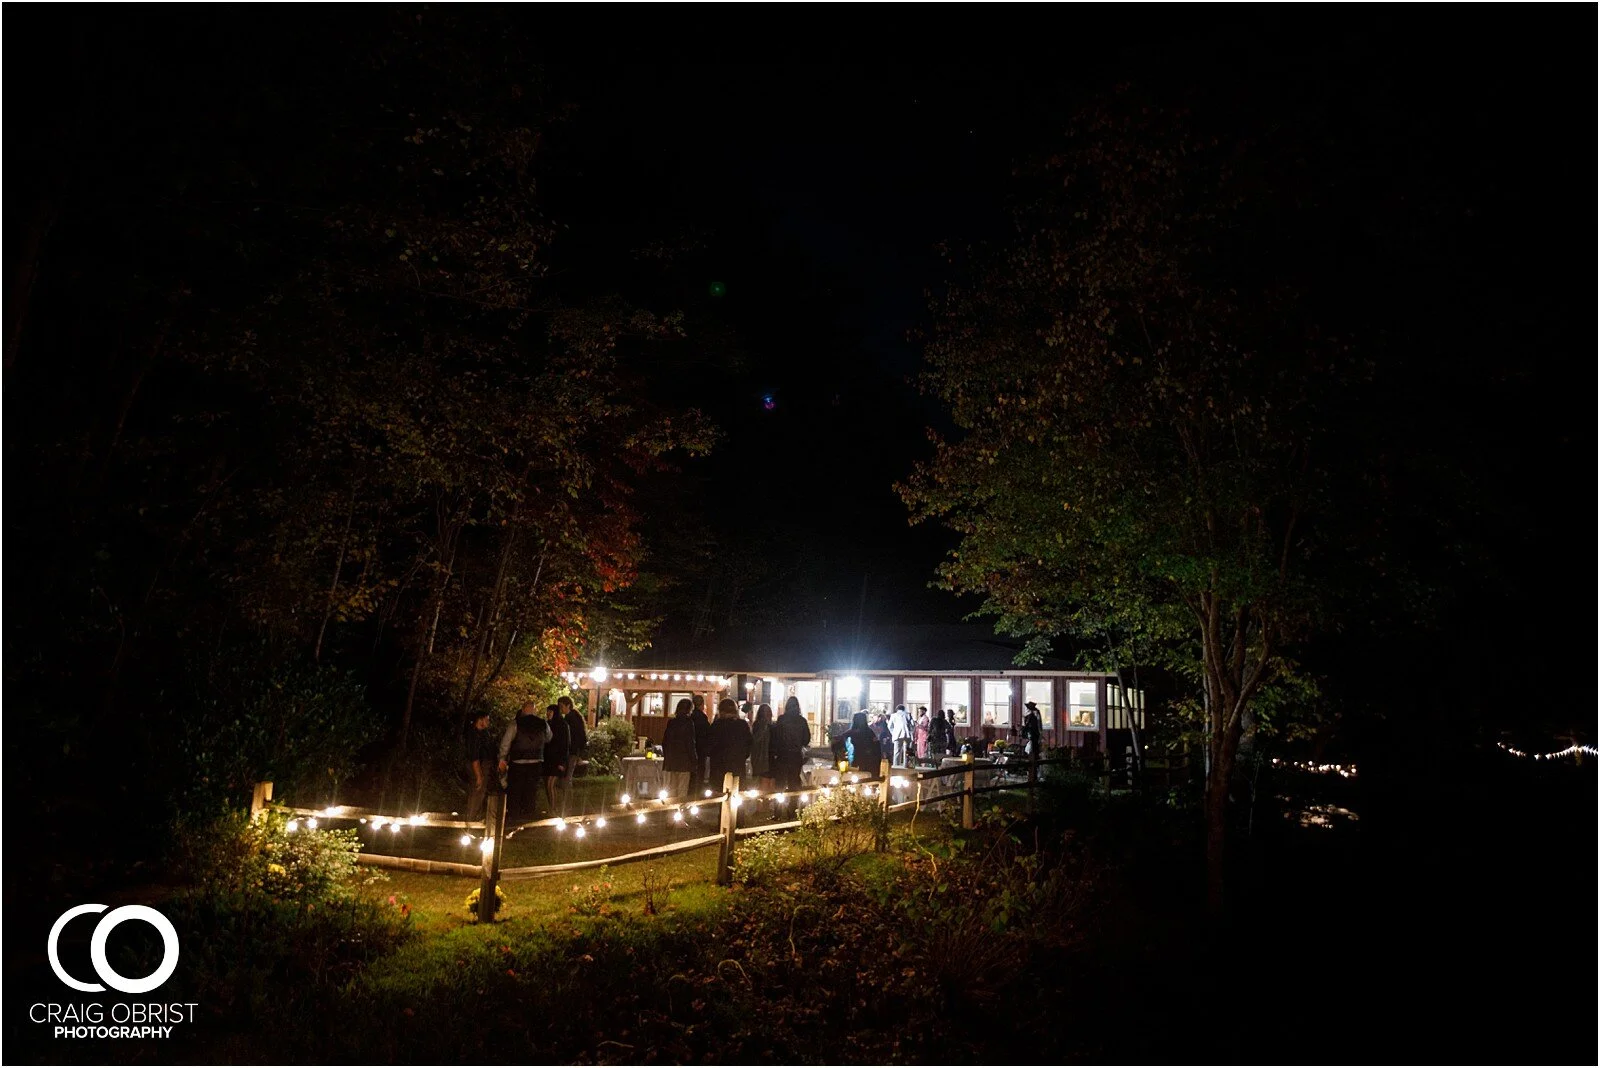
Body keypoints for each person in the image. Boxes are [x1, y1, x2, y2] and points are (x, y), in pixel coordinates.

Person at [498, 702, 551, 823]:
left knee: (515, 789)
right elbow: (549, 737)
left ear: (522, 710)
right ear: (534, 710)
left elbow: (506, 742)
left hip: (518, 761)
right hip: (536, 761)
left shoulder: (516, 723)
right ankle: (528, 814)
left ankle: (514, 815)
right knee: (531, 789)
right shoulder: (543, 723)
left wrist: (502, 757)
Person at [707, 698, 752, 794]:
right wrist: (743, 755)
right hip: (737, 763)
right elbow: (749, 743)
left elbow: (709, 745)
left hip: (718, 765)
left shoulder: (716, 725)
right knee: (736, 792)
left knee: (720, 793)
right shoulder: (742, 725)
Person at [771, 695, 809, 796]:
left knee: (780, 783)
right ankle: (793, 808)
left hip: (782, 755)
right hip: (795, 755)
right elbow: (806, 739)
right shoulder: (802, 721)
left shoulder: (781, 719)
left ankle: (778, 809)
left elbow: (776, 736)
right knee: (794, 782)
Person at [463, 710, 497, 821]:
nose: (488, 722)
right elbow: (474, 756)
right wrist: (478, 775)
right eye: (486, 720)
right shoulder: (473, 735)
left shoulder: (483, 733)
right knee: (477, 792)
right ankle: (470, 819)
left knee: (480, 793)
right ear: (480, 720)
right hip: (478, 766)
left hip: (484, 766)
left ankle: (474, 817)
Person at [662, 698, 698, 800]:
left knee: (671, 789)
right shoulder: (688, 723)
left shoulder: (671, 722)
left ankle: (670, 811)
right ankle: (679, 811)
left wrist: (667, 756)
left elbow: (665, 741)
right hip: (684, 761)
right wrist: (694, 760)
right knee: (682, 790)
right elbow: (690, 743)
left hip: (671, 761)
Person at [558, 695, 588, 814]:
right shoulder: (574, 717)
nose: (560, 709)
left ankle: (567, 805)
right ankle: (567, 804)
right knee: (567, 778)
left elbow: (575, 737)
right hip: (574, 751)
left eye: (561, 706)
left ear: (567, 706)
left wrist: (575, 751)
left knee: (567, 778)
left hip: (571, 752)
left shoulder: (570, 720)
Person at [542, 702, 571, 816]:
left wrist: (562, 761)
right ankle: (551, 807)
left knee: (551, 784)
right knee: (547, 785)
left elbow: (565, 744)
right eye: (547, 712)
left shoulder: (563, 725)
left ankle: (554, 808)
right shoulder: (547, 724)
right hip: (548, 759)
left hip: (557, 759)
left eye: (550, 712)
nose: (548, 714)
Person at [837, 710, 883, 775]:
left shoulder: (853, 731)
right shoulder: (869, 731)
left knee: (857, 773)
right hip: (870, 758)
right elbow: (875, 743)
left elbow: (840, 738)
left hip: (858, 756)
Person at [690, 696, 713, 795]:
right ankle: (697, 794)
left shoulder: (690, 718)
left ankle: (690, 794)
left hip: (692, 749)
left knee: (692, 775)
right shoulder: (703, 718)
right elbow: (708, 733)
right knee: (700, 774)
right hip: (701, 749)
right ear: (702, 705)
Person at [750, 703, 775, 791]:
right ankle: (765, 803)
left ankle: (763, 803)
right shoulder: (766, 726)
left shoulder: (758, 725)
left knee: (764, 785)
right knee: (766, 785)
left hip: (764, 759)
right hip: (766, 759)